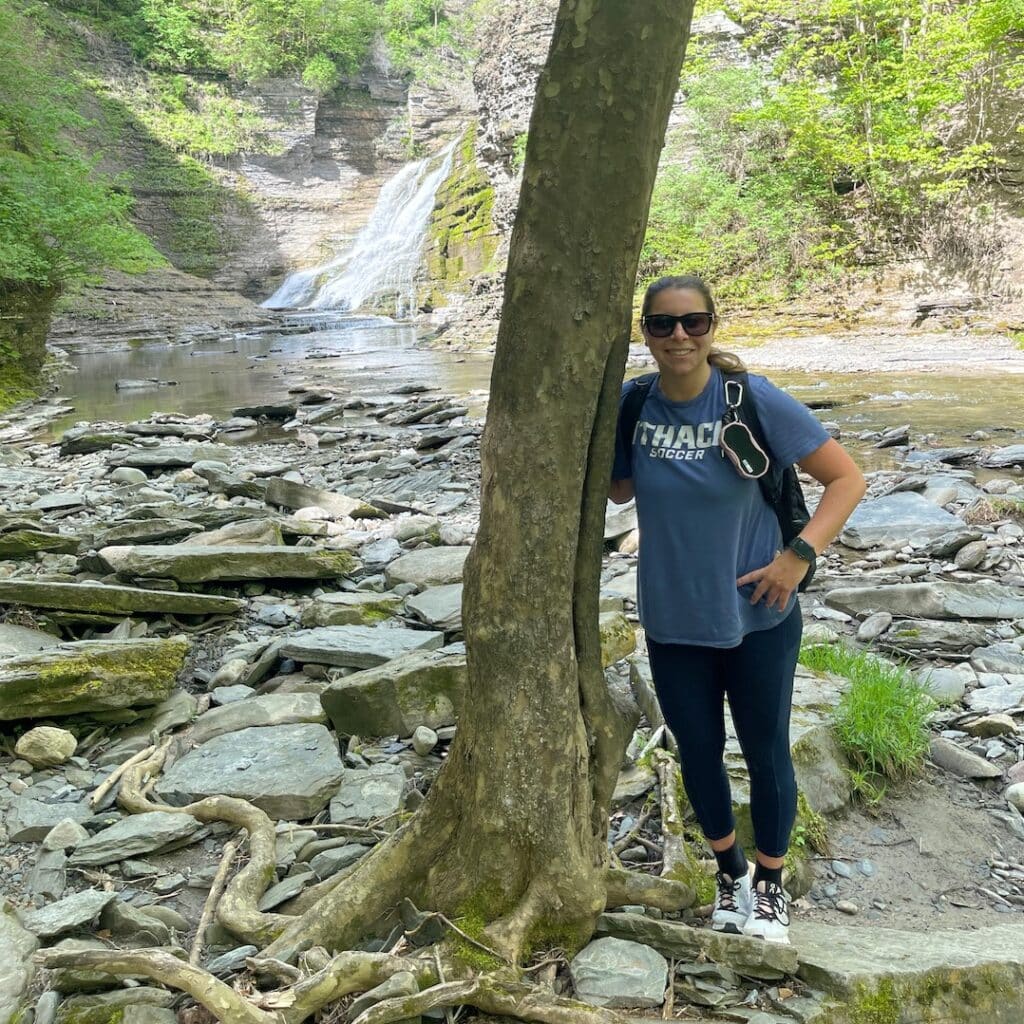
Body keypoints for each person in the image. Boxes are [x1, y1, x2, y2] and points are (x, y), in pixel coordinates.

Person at [610, 275, 866, 944]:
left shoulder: (750, 399)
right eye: (663, 325)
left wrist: (798, 556)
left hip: (759, 615)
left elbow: (847, 478)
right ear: (646, 333)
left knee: (764, 751)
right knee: (698, 752)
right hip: (672, 618)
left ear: (712, 326)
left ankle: (770, 885)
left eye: (693, 323)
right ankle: (727, 873)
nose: (679, 337)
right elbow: (612, 491)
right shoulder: (633, 404)